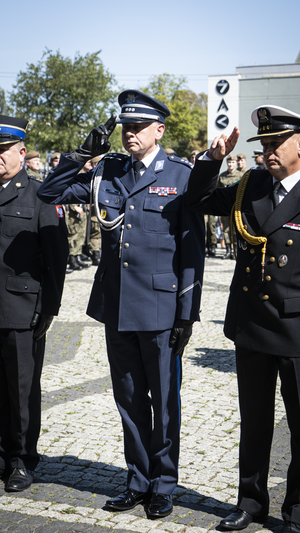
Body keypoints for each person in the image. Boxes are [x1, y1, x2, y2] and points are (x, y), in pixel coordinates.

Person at [37, 89, 205, 519]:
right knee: (129, 400)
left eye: (138, 127)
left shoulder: (181, 175)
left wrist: (187, 313)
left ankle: (164, 484)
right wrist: (80, 155)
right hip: (116, 306)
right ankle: (138, 479)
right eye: (125, 127)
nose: (129, 134)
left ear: (159, 131)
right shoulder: (109, 170)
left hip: (161, 308)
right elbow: (49, 194)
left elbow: (192, 250)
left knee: (165, 403)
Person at [186, 104, 300, 533]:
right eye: (264, 144)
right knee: (254, 421)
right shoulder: (250, 183)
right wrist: (213, 161)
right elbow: (195, 201)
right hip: (252, 323)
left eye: (276, 143)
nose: (268, 151)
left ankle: (297, 509)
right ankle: (251, 502)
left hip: (296, 327)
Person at [0, 115, 68, 492]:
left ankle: (22, 460)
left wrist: (49, 309)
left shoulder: (40, 195)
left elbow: (56, 260)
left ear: (22, 152)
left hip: (22, 311)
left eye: (3, 151)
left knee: (22, 388)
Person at [217, 155, 241, 259]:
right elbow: (217, 191)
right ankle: (227, 250)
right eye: (229, 163)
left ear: (236, 163)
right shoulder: (222, 176)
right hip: (225, 207)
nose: (230, 165)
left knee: (236, 230)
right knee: (226, 229)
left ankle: (235, 250)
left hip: (236, 208)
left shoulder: (240, 176)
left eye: (232, 162)